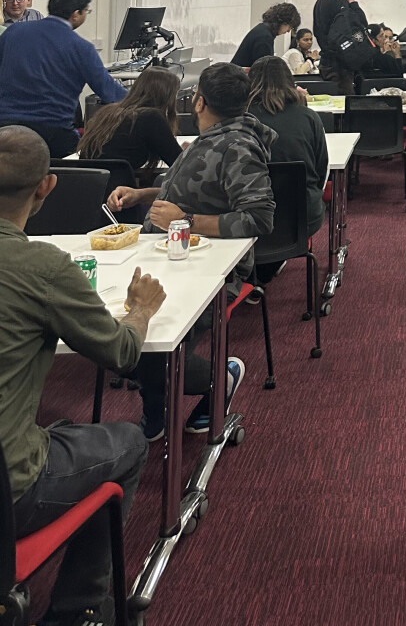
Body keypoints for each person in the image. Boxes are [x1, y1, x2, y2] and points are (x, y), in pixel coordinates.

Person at [0, 125, 164, 626]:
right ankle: (81, 610)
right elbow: (120, 354)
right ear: (47, 186)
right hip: (10, 489)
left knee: (61, 433)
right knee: (129, 443)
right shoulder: (40, 266)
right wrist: (140, 311)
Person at [106, 63, 275, 439]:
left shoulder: (238, 145)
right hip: (168, 254)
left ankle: (221, 377)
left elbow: (259, 218)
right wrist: (145, 194)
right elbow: (194, 190)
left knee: (149, 348)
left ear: (198, 102)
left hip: (208, 269)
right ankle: (157, 411)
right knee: (125, 337)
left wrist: (186, 220)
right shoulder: (211, 137)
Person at [0, 0, 126, 158]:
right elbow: (109, 92)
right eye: (86, 12)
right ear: (76, 14)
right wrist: (146, 100)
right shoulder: (82, 48)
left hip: (6, 131)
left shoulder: (12, 32)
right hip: (53, 136)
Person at [246, 56, 327, 263]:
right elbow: (320, 171)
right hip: (302, 217)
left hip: (249, 218)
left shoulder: (240, 119)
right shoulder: (309, 117)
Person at [77, 66, 183, 174]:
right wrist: (189, 151)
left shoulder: (108, 112)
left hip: (87, 185)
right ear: (167, 96)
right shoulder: (151, 118)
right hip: (118, 188)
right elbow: (179, 164)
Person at [313, 0, 366, 95]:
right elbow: (361, 24)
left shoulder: (320, 2)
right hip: (339, 65)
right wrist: (352, 1)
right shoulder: (339, 4)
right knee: (344, 105)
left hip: (327, 62)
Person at [231, 3, 301, 68]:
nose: (288, 31)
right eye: (289, 27)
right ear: (283, 22)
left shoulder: (262, 30)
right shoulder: (265, 37)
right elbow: (264, 69)